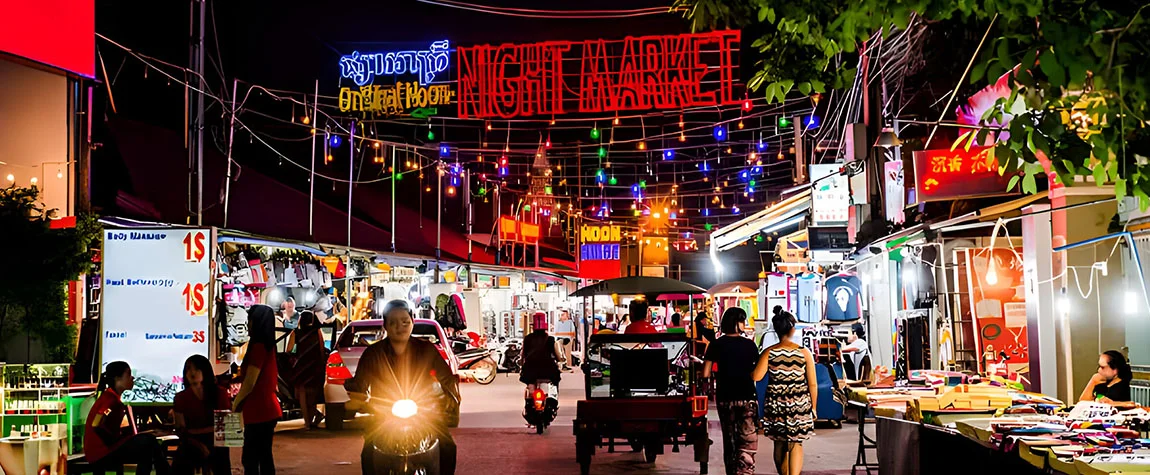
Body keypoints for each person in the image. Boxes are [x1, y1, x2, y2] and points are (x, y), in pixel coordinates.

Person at [353, 299, 460, 475]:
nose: (400, 327)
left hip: (424, 412)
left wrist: (451, 398)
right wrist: (356, 400)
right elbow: (359, 384)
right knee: (368, 452)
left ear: (412, 322)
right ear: (385, 325)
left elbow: (446, 378)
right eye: (393, 322)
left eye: (405, 321)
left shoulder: (427, 350)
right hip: (384, 415)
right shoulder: (373, 353)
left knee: (448, 446)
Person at [754, 311, 816, 475]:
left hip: (777, 405)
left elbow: (756, 376)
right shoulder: (804, 353)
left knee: (780, 443)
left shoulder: (769, 352)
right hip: (799, 403)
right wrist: (813, 408)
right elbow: (813, 384)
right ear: (793, 329)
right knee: (796, 443)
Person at [84, 361, 171, 474]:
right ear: (118, 379)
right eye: (129, 375)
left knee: (148, 445)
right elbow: (97, 423)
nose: (132, 378)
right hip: (102, 453)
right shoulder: (110, 401)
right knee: (148, 442)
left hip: (104, 451)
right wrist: (113, 441)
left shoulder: (113, 399)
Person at [702, 308, 760, 475]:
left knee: (730, 440)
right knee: (747, 440)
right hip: (747, 396)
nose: (744, 324)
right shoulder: (749, 345)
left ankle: (731, 471)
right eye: (742, 320)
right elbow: (756, 373)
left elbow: (706, 373)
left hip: (725, 398)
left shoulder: (716, 344)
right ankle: (745, 471)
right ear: (736, 323)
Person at [233, 304, 282, 474]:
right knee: (263, 456)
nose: (248, 324)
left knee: (252, 458)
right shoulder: (266, 346)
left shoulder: (259, 347)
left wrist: (236, 404)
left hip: (260, 410)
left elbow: (250, 382)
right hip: (265, 409)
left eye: (250, 319)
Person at [174, 355, 231, 474]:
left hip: (216, 439)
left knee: (221, 452)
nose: (192, 372)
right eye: (188, 369)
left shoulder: (220, 393)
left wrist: (197, 432)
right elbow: (181, 430)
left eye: (197, 369)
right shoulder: (180, 398)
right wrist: (198, 444)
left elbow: (226, 428)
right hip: (192, 441)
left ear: (205, 371)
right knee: (183, 455)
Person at [286, 310, 326, 429]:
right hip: (315, 366)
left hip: (301, 367)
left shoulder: (296, 333)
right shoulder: (317, 332)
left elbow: (289, 350)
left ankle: (308, 422)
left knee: (302, 395)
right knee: (312, 396)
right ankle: (314, 418)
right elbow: (321, 348)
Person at [521, 311, 563, 387]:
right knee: (556, 379)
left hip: (530, 368)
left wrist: (522, 364)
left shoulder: (528, 338)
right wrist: (559, 360)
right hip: (547, 368)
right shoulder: (550, 339)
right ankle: (553, 395)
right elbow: (555, 354)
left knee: (529, 381)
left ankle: (530, 392)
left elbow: (524, 354)